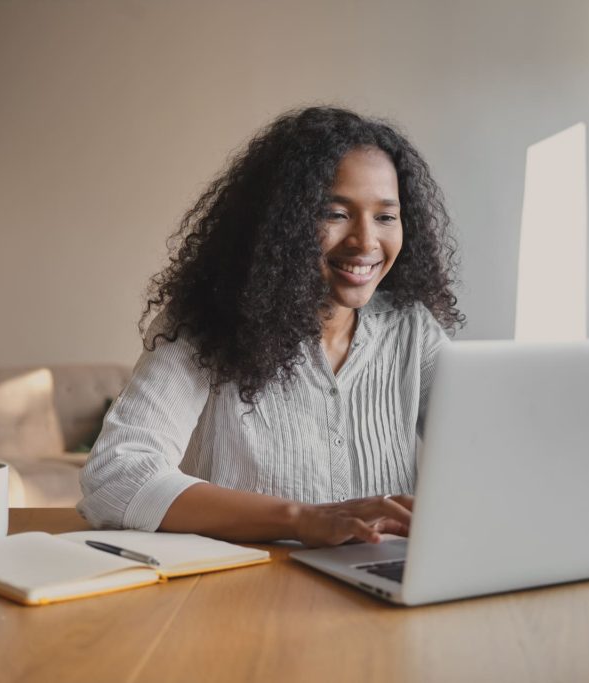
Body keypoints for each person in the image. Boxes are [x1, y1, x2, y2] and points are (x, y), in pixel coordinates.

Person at [78, 106, 463, 547]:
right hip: (240, 591)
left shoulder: (412, 329)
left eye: (385, 216)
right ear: (282, 223)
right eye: (335, 214)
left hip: (381, 588)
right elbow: (117, 477)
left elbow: (490, 457)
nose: (366, 241)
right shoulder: (204, 325)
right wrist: (301, 519)